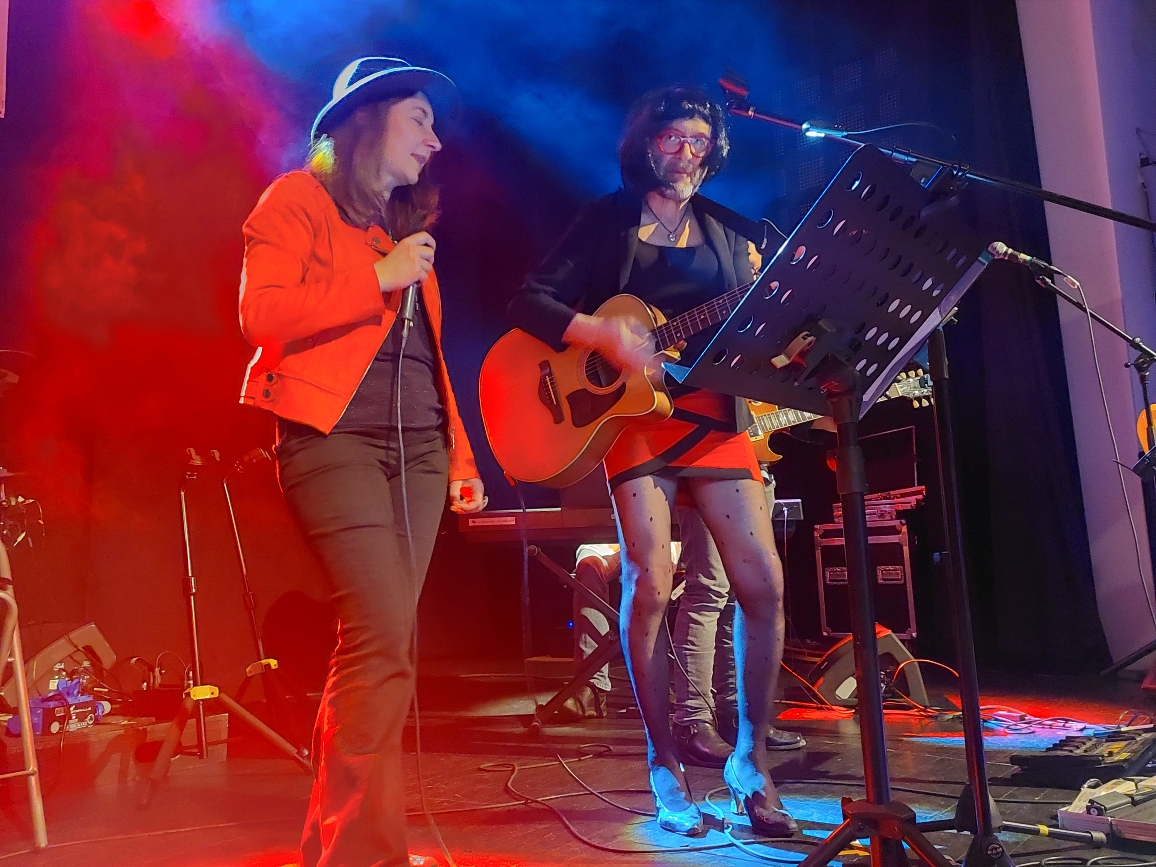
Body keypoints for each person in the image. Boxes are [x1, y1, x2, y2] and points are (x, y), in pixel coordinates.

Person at [508, 85, 797, 838]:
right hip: (636, 422)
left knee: (763, 583)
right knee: (651, 584)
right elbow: (530, 302)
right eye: (674, 138)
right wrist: (603, 335)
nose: (687, 152)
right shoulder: (607, 221)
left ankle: (751, 760)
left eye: (700, 141)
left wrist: (781, 324)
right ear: (646, 144)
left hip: (714, 417)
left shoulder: (732, 232)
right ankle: (664, 765)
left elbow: (750, 327)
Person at [237, 57, 485, 867]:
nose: (435, 141)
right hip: (331, 441)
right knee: (380, 637)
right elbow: (261, 314)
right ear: (367, 118)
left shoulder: (401, 238)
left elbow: (429, 360)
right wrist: (376, 276)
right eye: (420, 119)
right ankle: (364, 853)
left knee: (383, 647)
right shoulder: (296, 200)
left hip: (419, 453)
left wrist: (462, 456)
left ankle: (341, 844)